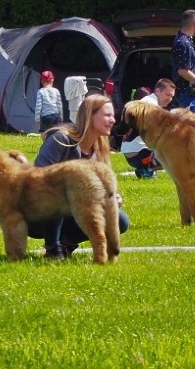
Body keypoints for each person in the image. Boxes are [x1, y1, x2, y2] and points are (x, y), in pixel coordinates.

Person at [28, 94, 131, 259]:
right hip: (38, 213)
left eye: (113, 116)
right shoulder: (60, 139)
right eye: (107, 115)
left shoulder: (100, 150)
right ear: (89, 116)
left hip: (75, 211)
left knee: (121, 220)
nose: (113, 120)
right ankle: (53, 248)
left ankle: (66, 244)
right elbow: (37, 179)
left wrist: (110, 198)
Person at [120, 78, 175, 178]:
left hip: (131, 153)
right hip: (139, 154)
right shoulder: (152, 105)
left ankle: (143, 169)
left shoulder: (147, 101)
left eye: (172, 96)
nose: (170, 99)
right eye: (167, 95)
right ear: (158, 91)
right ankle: (147, 169)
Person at [171, 9, 195, 109]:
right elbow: (183, 71)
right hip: (187, 94)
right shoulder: (183, 43)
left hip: (188, 93)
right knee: (192, 123)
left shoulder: (182, 40)